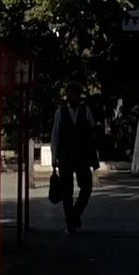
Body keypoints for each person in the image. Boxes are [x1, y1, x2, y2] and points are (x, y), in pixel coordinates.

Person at [51, 84, 99, 233]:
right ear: (67, 96)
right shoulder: (61, 112)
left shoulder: (86, 111)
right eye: (70, 94)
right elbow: (55, 135)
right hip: (65, 157)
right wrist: (54, 157)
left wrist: (94, 155)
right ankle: (70, 222)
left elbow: (92, 132)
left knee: (87, 187)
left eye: (75, 94)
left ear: (79, 96)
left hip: (82, 156)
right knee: (67, 191)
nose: (73, 97)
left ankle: (74, 214)